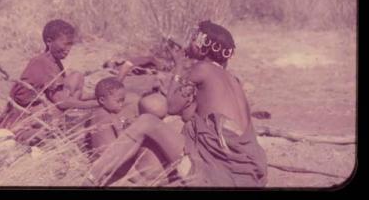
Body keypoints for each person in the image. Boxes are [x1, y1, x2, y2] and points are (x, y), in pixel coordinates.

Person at [84, 20, 268, 187]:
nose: (190, 41)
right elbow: (190, 115)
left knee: (147, 122)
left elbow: (171, 106)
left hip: (212, 174)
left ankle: (90, 180)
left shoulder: (202, 69)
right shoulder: (233, 81)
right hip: (245, 175)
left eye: (195, 37)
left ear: (204, 46)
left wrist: (179, 65)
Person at [0, 19, 98, 145]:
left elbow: (66, 95)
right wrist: (96, 104)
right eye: (65, 44)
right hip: (23, 115)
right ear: (49, 42)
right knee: (61, 106)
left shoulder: (55, 62)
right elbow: (61, 102)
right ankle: (56, 130)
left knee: (77, 77)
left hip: (38, 108)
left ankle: (63, 123)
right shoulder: (42, 63)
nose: (68, 49)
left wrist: (99, 96)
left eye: (71, 44)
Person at [86, 77, 174, 185]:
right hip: (111, 161)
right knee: (133, 160)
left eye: (123, 100)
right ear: (102, 100)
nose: (121, 104)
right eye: (118, 101)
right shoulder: (109, 117)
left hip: (103, 159)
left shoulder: (98, 114)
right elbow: (121, 142)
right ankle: (141, 181)